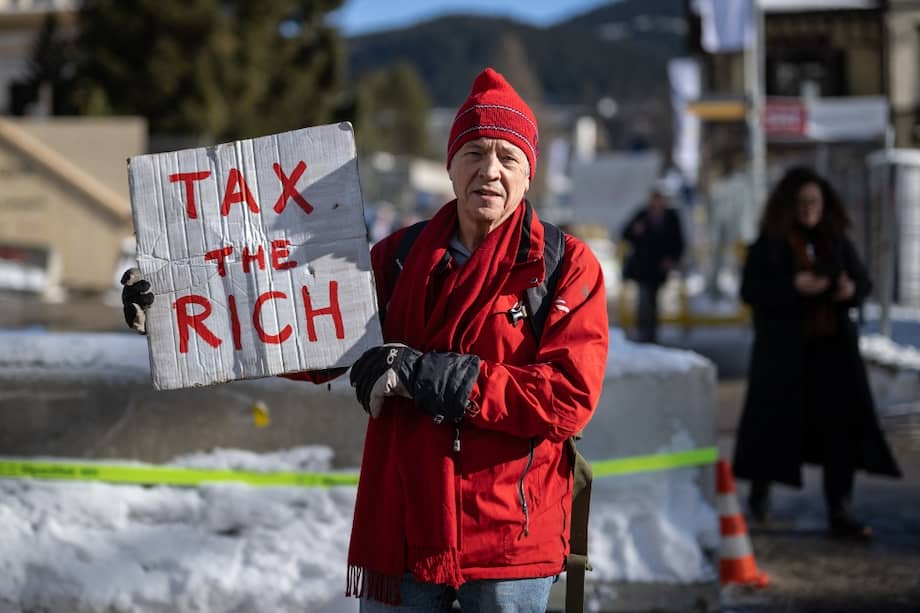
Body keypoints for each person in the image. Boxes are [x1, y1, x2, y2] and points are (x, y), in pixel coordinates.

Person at [122, 67, 610, 612]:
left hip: (508, 545)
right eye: (473, 152)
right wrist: (174, 309)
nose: (489, 170)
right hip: (402, 530)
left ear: (528, 174)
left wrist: (425, 374)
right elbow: (303, 332)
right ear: (451, 166)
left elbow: (567, 398)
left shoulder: (565, 266)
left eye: (507, 156)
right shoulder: (396, 258)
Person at [732, 166, 901, 540]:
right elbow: (750, 290)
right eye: (803, 202)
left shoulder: (835, 240)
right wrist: (792, 286)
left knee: (840, 433)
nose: (809, 209)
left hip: (832, 355)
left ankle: (839, 511)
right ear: (788, 206)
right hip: (784, 356)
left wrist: (848, 290)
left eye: (815, 202)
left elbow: (862, 282)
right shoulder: (770, 244)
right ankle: (760, 497)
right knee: (773, 431)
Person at [620, 182, 685, 343]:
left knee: (653, 299)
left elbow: (678, 241)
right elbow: (626, 233)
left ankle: (651, 332)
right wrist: (635, 231)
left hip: (659, 267)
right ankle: (644, 332)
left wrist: (672, 259)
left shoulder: (671, 217)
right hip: (642, 266)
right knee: (644, 299)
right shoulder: (642, 214)